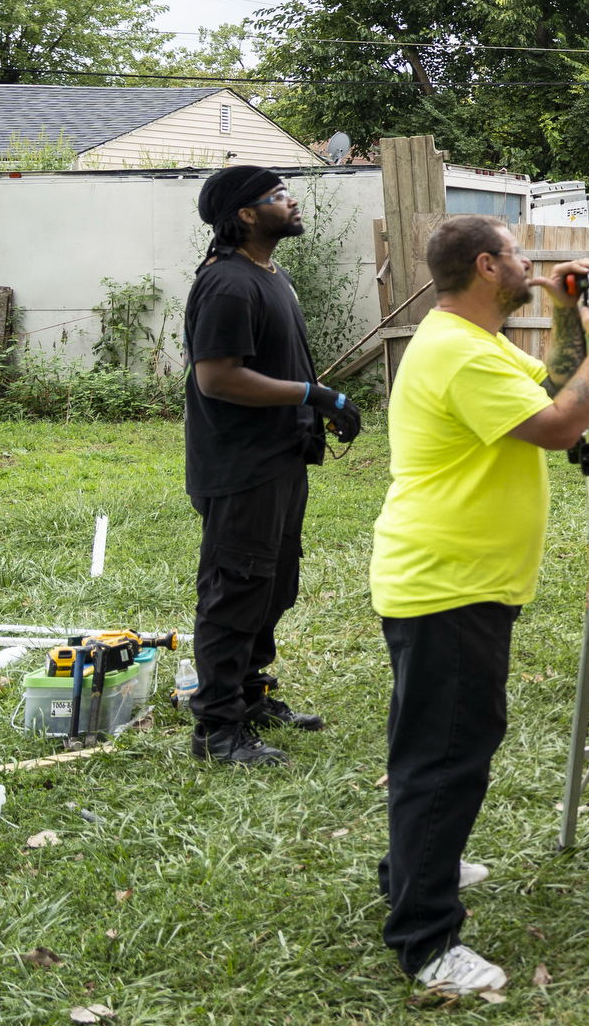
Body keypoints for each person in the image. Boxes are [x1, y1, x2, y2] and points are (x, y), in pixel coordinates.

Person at [372, 214, 589, 997]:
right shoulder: (457, 352)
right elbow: (560, 425)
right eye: (518, 255)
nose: (531, 262)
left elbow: (550, 388)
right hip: (448, 586)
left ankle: (416, 867)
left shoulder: (475, 343)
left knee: (433, 745)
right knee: (446, 758)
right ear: (488, 266)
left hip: (458, 581)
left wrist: (566, 318)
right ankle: (426, 940)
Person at [181, 166, 361, 767]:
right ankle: (216, 728)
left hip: (281, 457)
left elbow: (276, 364)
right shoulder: (230, 284)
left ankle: (252, 695)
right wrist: (314, 395)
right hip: (241, 467)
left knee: (274, 583)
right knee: (236, 590)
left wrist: (317, 405)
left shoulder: (268, 275)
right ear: (249, 215)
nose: (293, 202)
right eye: (279, 196)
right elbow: (218, 377)